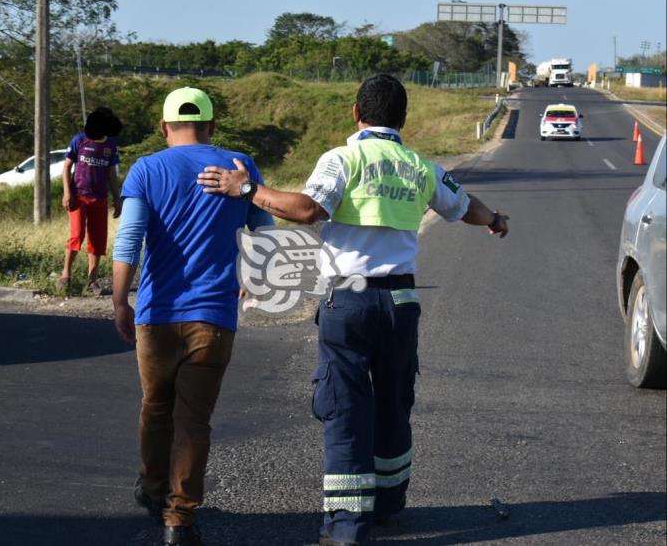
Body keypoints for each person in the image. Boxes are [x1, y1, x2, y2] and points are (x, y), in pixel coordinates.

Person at [197, 74, 509, 546]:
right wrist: (496, 221)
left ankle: (346, 526)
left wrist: (246, 189)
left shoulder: (343, 159)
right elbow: (465, 207)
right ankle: (387, 505)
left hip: (349, 299)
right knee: (394, 403)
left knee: (345, 410)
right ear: (402, 119)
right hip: (401, 302)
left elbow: (306, 210)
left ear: (356, 113)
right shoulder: (419, 166)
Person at [112, 87, 273, 546]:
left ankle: (153, 488)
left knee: (155, 407)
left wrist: (121, 301)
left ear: (165, 128)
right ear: (212, 127)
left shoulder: (147, 168)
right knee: (194, 420)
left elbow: (130, 240)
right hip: (215, 316)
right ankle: (179, 519)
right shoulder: (239, 165)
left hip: (157, 313)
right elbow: (266, 228)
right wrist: (254, 275)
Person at [60, 107, 123, 295]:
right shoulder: (79, 140)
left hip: (100, 198)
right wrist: (66, 193)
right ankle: (65, 276)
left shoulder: (111, 145)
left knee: (97, 239)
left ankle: (92, 280)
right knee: (77, 235)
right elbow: (67, 167)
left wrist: (117, 198)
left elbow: (112, 174)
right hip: (79, 196)